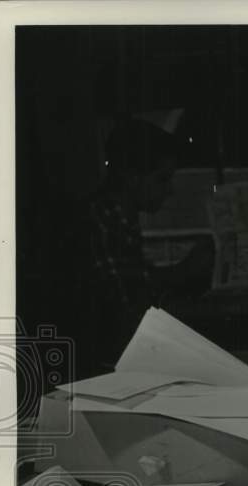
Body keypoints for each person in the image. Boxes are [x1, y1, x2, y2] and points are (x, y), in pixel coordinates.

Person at [68, 118, 213, 378]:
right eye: (162, 179)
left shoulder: (122, 217)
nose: (169, 191)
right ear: (132, 178)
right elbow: (127, 306)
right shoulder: (101, 221)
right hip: (101, 370)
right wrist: (184, 271)